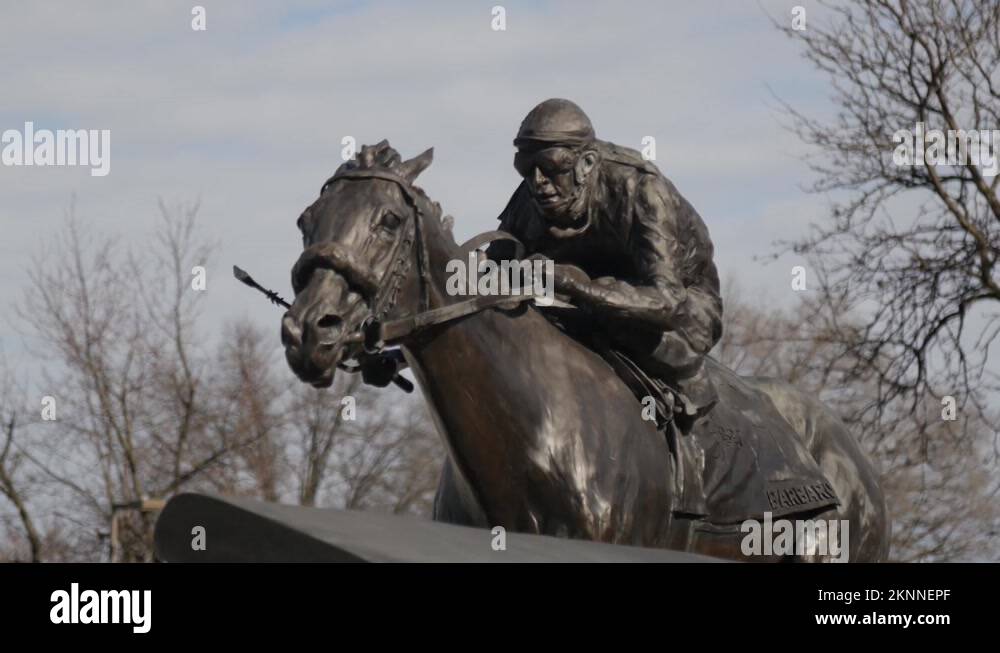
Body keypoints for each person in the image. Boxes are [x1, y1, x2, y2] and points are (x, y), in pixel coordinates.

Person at [489, 98, 723, 426]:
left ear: (586, 162)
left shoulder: (642, 190)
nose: (538, 182)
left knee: (585, 294)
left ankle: (690, 380)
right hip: (585, 301)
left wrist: (576, 286)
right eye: (526, 168)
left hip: (680, 312)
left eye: (551, 166)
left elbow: (667, 302)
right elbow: (484, 283)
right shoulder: (529, 199)